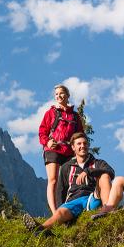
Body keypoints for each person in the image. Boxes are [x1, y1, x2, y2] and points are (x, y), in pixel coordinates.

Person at [24, 133, 113, 233]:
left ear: (88, 145)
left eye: (85, 143)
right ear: (73, 147)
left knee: (105, 175)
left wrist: (88, 171)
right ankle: (40, 229)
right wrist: (59, 209)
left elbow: (111, 172)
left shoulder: (98, 163)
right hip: (73, 201)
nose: (82, 146)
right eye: (79, 144)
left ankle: (107, 212)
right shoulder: (67, 167)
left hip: (92, 198)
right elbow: (60, 191)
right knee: (61, 212)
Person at [38, 84, 83, 216]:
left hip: (69, 151)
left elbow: (80, 135)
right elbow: (42, 131)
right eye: (56, 94)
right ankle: (54, 212)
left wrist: (78, 149)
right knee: (53, 179)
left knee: (70, 181)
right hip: (53, 149)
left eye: (61, 93)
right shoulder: (50, 113)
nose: (59, 96)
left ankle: (67, 209)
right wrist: (47, 141)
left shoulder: (75, 117)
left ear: (67, 96)